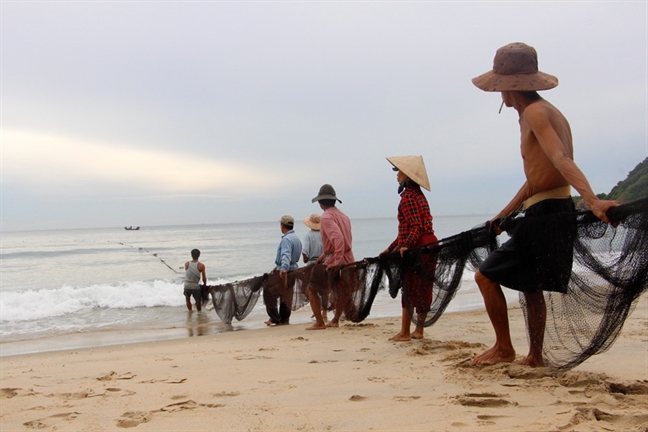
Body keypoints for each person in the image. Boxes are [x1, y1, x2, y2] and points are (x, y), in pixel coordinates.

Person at [471, 42, 618, 367]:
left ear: (510, 87)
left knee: (485, 276)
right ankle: (535, 356)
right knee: (531, 284)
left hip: (546, 213)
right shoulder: (547, 112)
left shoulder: (535, 113)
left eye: (502, 89)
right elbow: (537, 178)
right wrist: (504, 214)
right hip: (550, 208)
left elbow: (561, 158)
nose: (502, 98)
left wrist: (592, 201)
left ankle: (504, 348)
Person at [381, 156, 438, 341]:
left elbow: (415, 227)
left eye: (399, 171)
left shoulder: (407, 197)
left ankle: (405, 332)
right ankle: (419, 330)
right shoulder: (420, 196)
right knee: (424, 287)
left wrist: (405, 245)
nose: (397, 175)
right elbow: (411, 229)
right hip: (430, 244)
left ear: (408, 175)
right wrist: (391, 248)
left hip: (418, 246)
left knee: (409, 286)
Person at [306, 184, 355, 330]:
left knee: (312, 289)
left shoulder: (326, 217)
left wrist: (336, 261)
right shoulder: (343, 216)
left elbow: (338, 239)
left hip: (336, 259)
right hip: (349, 258)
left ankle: (320, 322)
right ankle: (335, 320)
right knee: (340, 290)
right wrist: (323, 255)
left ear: (321, 202)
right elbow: (345, 240)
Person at [265, 215, 302, 326]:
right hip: (294, 269)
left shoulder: (286, 239)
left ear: (282, 226)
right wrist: (277, 267)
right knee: (286, 295)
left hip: (286, 270)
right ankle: (284, 319)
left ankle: (274, 317)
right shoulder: (296, 238)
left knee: (268, 291)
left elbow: (286, 255)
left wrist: (283, 269)